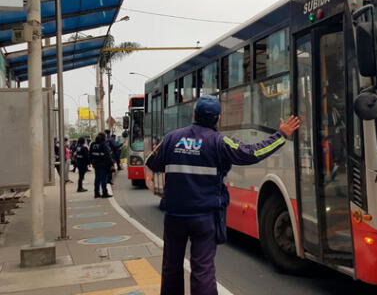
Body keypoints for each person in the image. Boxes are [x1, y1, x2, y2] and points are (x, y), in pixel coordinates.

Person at [145, 95, 300, 295]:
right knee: (203, 270)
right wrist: (280, 135)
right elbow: (251, 153)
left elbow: (152, 162)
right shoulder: (219, 141)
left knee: (171, 266)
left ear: (194, 115)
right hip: (204, 216)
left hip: (175, 217)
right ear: (218, 118)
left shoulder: (172, 138)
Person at [90, 132, 115, 198]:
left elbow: (90, 154)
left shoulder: (93, 144)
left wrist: (91, 162)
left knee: (97, 179)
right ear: (104, 137)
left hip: (95, 164)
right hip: (103, 164)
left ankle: (96, 193)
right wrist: (112, 164)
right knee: (103, 179)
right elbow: (108, 155)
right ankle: (104, 193)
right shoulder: (104, 144)